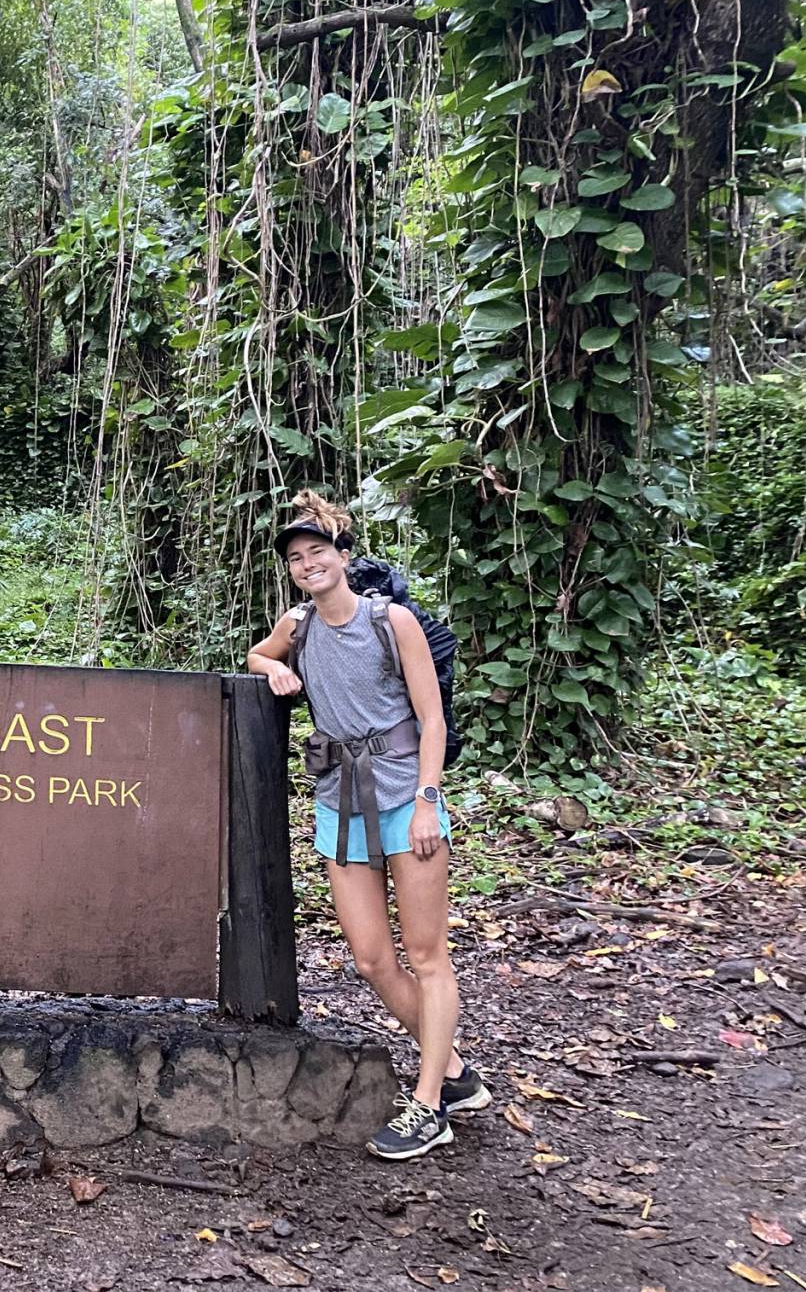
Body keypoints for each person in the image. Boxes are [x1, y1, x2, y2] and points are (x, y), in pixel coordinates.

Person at [244, 490, 488, 1160]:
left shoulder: (393, 622)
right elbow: (255, 654)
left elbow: (431, 717)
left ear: (342, 557)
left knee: (427, 955)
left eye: (317, 552)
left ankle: (430, 1101)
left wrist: (428, 801)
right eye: (296, 558)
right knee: (372, 958)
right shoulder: (297, 625)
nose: (307, 564)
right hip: (338, 800)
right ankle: (457, 1072)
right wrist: (274, 670)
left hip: (403, 794)